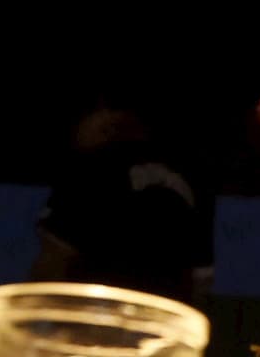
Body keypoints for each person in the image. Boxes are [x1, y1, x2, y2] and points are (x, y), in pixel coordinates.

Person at [33, 92, 205, 303]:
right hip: (165, 323)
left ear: (107, 118)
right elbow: (200, 280)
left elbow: (53, 261)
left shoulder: (91, 171)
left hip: (99, 321)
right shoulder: (188, 177)